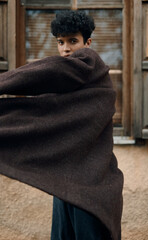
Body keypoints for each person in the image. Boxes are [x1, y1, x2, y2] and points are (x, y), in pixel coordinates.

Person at [0, 10, 123, 240]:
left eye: (73, 41)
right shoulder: (72, 85)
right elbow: (40, 115)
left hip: (92, 193)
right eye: (60, 42)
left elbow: (48, 72)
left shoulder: (90, 65)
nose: (65, 49)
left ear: (88, 43)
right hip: (66, 188)